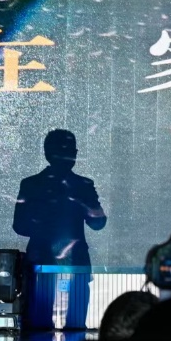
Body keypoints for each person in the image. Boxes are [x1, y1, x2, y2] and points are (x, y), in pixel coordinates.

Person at [13, 129, 106, 330]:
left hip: (41, 259)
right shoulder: (83, 185)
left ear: (47, 153)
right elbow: (98, 223)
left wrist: (43, 226)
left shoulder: (30, 184)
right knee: (75, 327)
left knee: (38, 328)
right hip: (74, 262)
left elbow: (19, 225)